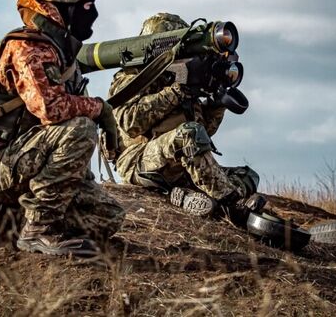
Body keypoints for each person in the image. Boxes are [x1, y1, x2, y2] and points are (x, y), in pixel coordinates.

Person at [0, 0, 124, 257]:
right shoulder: (28, 48)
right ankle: (39, 229)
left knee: (108, 217)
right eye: (87, 6)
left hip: (25, 160)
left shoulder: (59, 50)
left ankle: (9, 218)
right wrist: (100, 108)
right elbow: (52, 110)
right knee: (81, 128)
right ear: (63, 7)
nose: (94, 14)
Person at [108, 12, 265, 226]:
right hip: (139, 161)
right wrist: (178, 91)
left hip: (178, 167)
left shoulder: (180, 76)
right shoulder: (132, 76)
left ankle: (190, 197)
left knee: (249, 176)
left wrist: (217, 103)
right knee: (189, 134)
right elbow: (130, 123)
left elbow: (204, 133)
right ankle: (232, 205)